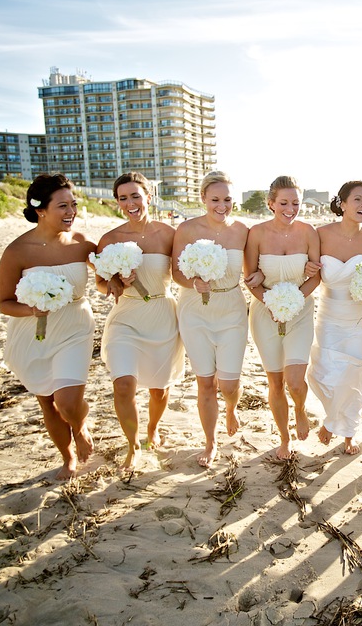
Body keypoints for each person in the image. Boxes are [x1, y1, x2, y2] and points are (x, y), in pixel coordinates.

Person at [0, 173, 96, 480]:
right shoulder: (17, 251)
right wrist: (31, 308)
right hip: (32, 334)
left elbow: (107, 278)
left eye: (73, 205)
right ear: (40, 210)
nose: (71, 212)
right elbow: (4, 302)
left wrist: (120, 281)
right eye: (63, 206)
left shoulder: (82, 244)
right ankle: (67, 458)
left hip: (75, 327)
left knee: (67, 402)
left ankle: (79, 426)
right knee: (48, 402)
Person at [95, 172, 184, 472]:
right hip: (126, 318)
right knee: (123, 385)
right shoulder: (110, 239)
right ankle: (133, 446)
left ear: (149, 196)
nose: (130, 203)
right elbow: (100, 282)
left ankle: (152, 429)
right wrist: (115, 283)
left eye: (135, 195)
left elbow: (182, 274)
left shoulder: (169, 234)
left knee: (160, 389)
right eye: (123, 198)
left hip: (162, 314)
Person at [172, 171, 253, 468]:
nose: (222, 205)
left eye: (228, 199)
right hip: (195, 312)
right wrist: (193, 282)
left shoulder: (243, 230)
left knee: (229, 384)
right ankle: (210, 442)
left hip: (231, 309)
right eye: (215, 199)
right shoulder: (187, 229)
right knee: (205, 383)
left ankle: (231, 408)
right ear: (203, 198)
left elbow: (252, 269)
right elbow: (176, 273)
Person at [244, 176, 321, 459]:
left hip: (300, 310)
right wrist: (272, 303)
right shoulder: (257, 233)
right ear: (271, 204)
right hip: (265, 312)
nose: (291, 209)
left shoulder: (309, 232)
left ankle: (300, 409)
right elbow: (250, 279)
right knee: (275, 382)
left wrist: (294, 301)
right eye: (284, 203)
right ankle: (284, 438)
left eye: (296, 203)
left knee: (295, 381)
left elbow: (317, 276)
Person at [308, 181, 362, 455]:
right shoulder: (320, 235)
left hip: (360, 319)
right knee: (325, 371)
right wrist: (306, 266)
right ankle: (333, 416)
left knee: (353, 373)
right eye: (358, 199)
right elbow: (312, 272)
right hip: (329, 315)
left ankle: (347, 431)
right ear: (342, 203)